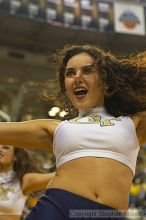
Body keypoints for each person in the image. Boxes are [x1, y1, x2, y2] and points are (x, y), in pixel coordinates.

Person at [0, 44, 146, 220]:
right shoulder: (56, 128)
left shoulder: (134, 124)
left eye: (87, 70)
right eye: (70, 73)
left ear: (105, 80)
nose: (77, 77)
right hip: (56, 209)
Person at [0, 144, 55, 220]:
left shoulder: (24, 180)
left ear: (15, 156)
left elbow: (60, 175)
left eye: (5, 148)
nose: (0, 149)